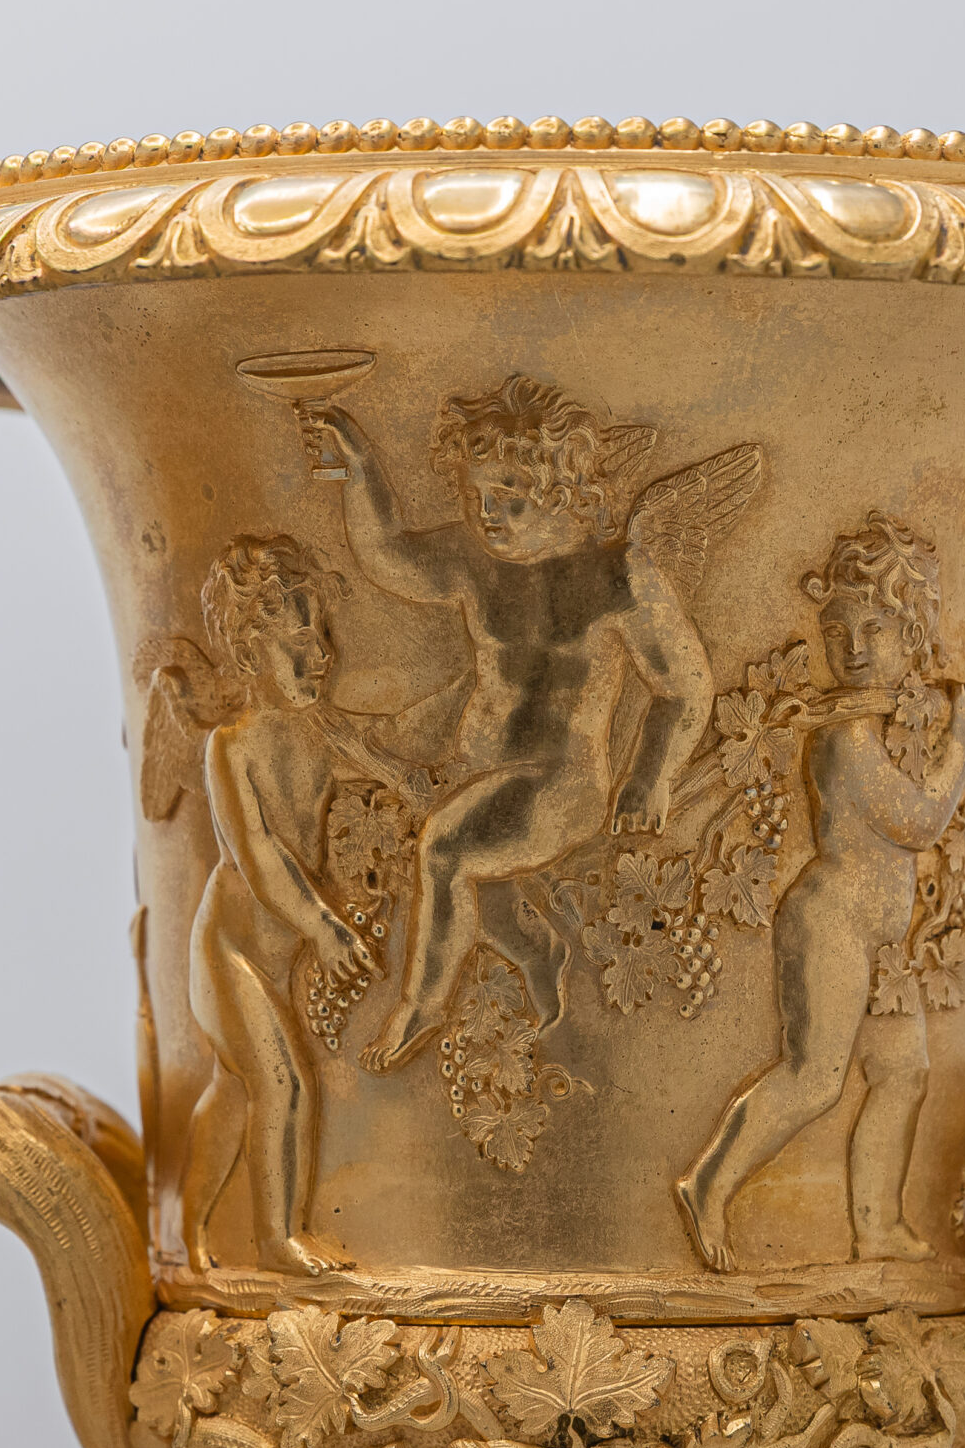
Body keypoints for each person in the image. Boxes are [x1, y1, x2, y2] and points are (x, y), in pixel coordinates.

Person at [298, 376, 724, 1074]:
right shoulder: (475, 560)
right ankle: (542, 954)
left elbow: (685, 687)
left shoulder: (618, 577)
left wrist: (650, 776)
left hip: (562, 781)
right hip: (477, 770)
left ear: (562, 493)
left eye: (508, 496)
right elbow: (389, 557)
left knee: (446, 848)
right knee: (488, 901)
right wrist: (360, 467)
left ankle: (420, 1008)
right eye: (474, 497)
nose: (486, 513)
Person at [677, 514, 965, 1273]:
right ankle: (707, 1184)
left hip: (885, 941)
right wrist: (963, 746)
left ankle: (877, 1227)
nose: (851, 649)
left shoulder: (882, 722)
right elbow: (918, 823)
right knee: (815, 1078)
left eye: (873, 629)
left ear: (912, 634)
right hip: (833, 923)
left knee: (904, 1072)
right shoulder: (847, 738)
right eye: (837, 630)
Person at [180, 534, 377, 1278]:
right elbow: (258, 857)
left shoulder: (319, 735)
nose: (321, 655)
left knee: (234, 1093)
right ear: (247, 651)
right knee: (282, 1084)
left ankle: (192, 1230)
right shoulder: (232, 746)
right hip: (230, 955)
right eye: (298, 642)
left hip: (273, 956)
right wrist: (324, 928)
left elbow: (390, 764)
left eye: (321, 636)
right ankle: (275, 1240)